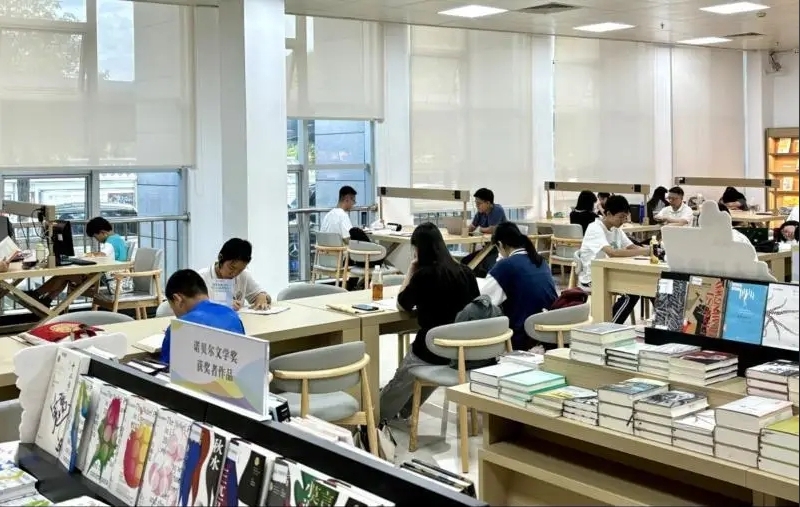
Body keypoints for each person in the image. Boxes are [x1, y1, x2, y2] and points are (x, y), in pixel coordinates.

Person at [380, 223, 479, 421]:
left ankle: (377, 416)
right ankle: (403, 412)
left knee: (403, 376)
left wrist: (411, 269)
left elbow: (402, 304)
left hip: (431, 350)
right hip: (461, 354)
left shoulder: (424, 276)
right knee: (420, 373)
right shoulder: (466, 272)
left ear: (418, 250)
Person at [481, 222, 557, 350]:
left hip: (522, 336)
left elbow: (484, 299)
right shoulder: (539, 260)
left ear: (500, 244)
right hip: (548, 331)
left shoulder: (506, 266)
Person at [24, 217, 129, 306]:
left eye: (95, 236)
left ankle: (36, 294)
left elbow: (103, 254)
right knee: (66, 277)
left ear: (103, 233)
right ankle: (47, 300)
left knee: (64, 275)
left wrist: (89, 255)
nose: (96, 239)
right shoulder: (118, 239)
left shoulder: (110, 242)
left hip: (106, 280)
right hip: (115, 277)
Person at [577, 195, 649, 324]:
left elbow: (632, 247)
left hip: (611, 273)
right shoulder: (595, 228)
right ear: (609, 214)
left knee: (646, 285)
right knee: (631, 293)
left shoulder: (617, 229)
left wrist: (649, 250)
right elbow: (612, 253)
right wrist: (644, 251)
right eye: (621, 217)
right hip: (594, 276)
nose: (623, 221)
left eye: (625, 217)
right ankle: (610, 325)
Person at [159, 269, 245, 365]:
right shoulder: (233, 316)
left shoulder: (179, 327)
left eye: (172, 307)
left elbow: (165, 368)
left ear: (177, 299)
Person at [198, 238, 272, 311]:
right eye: (231, 268)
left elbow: (264, 296)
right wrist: (222, 304)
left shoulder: (244, 275)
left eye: (240, 270)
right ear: (220, 257)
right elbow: (194, 307)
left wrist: (262, 296)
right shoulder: (201, 277)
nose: (234, 274)